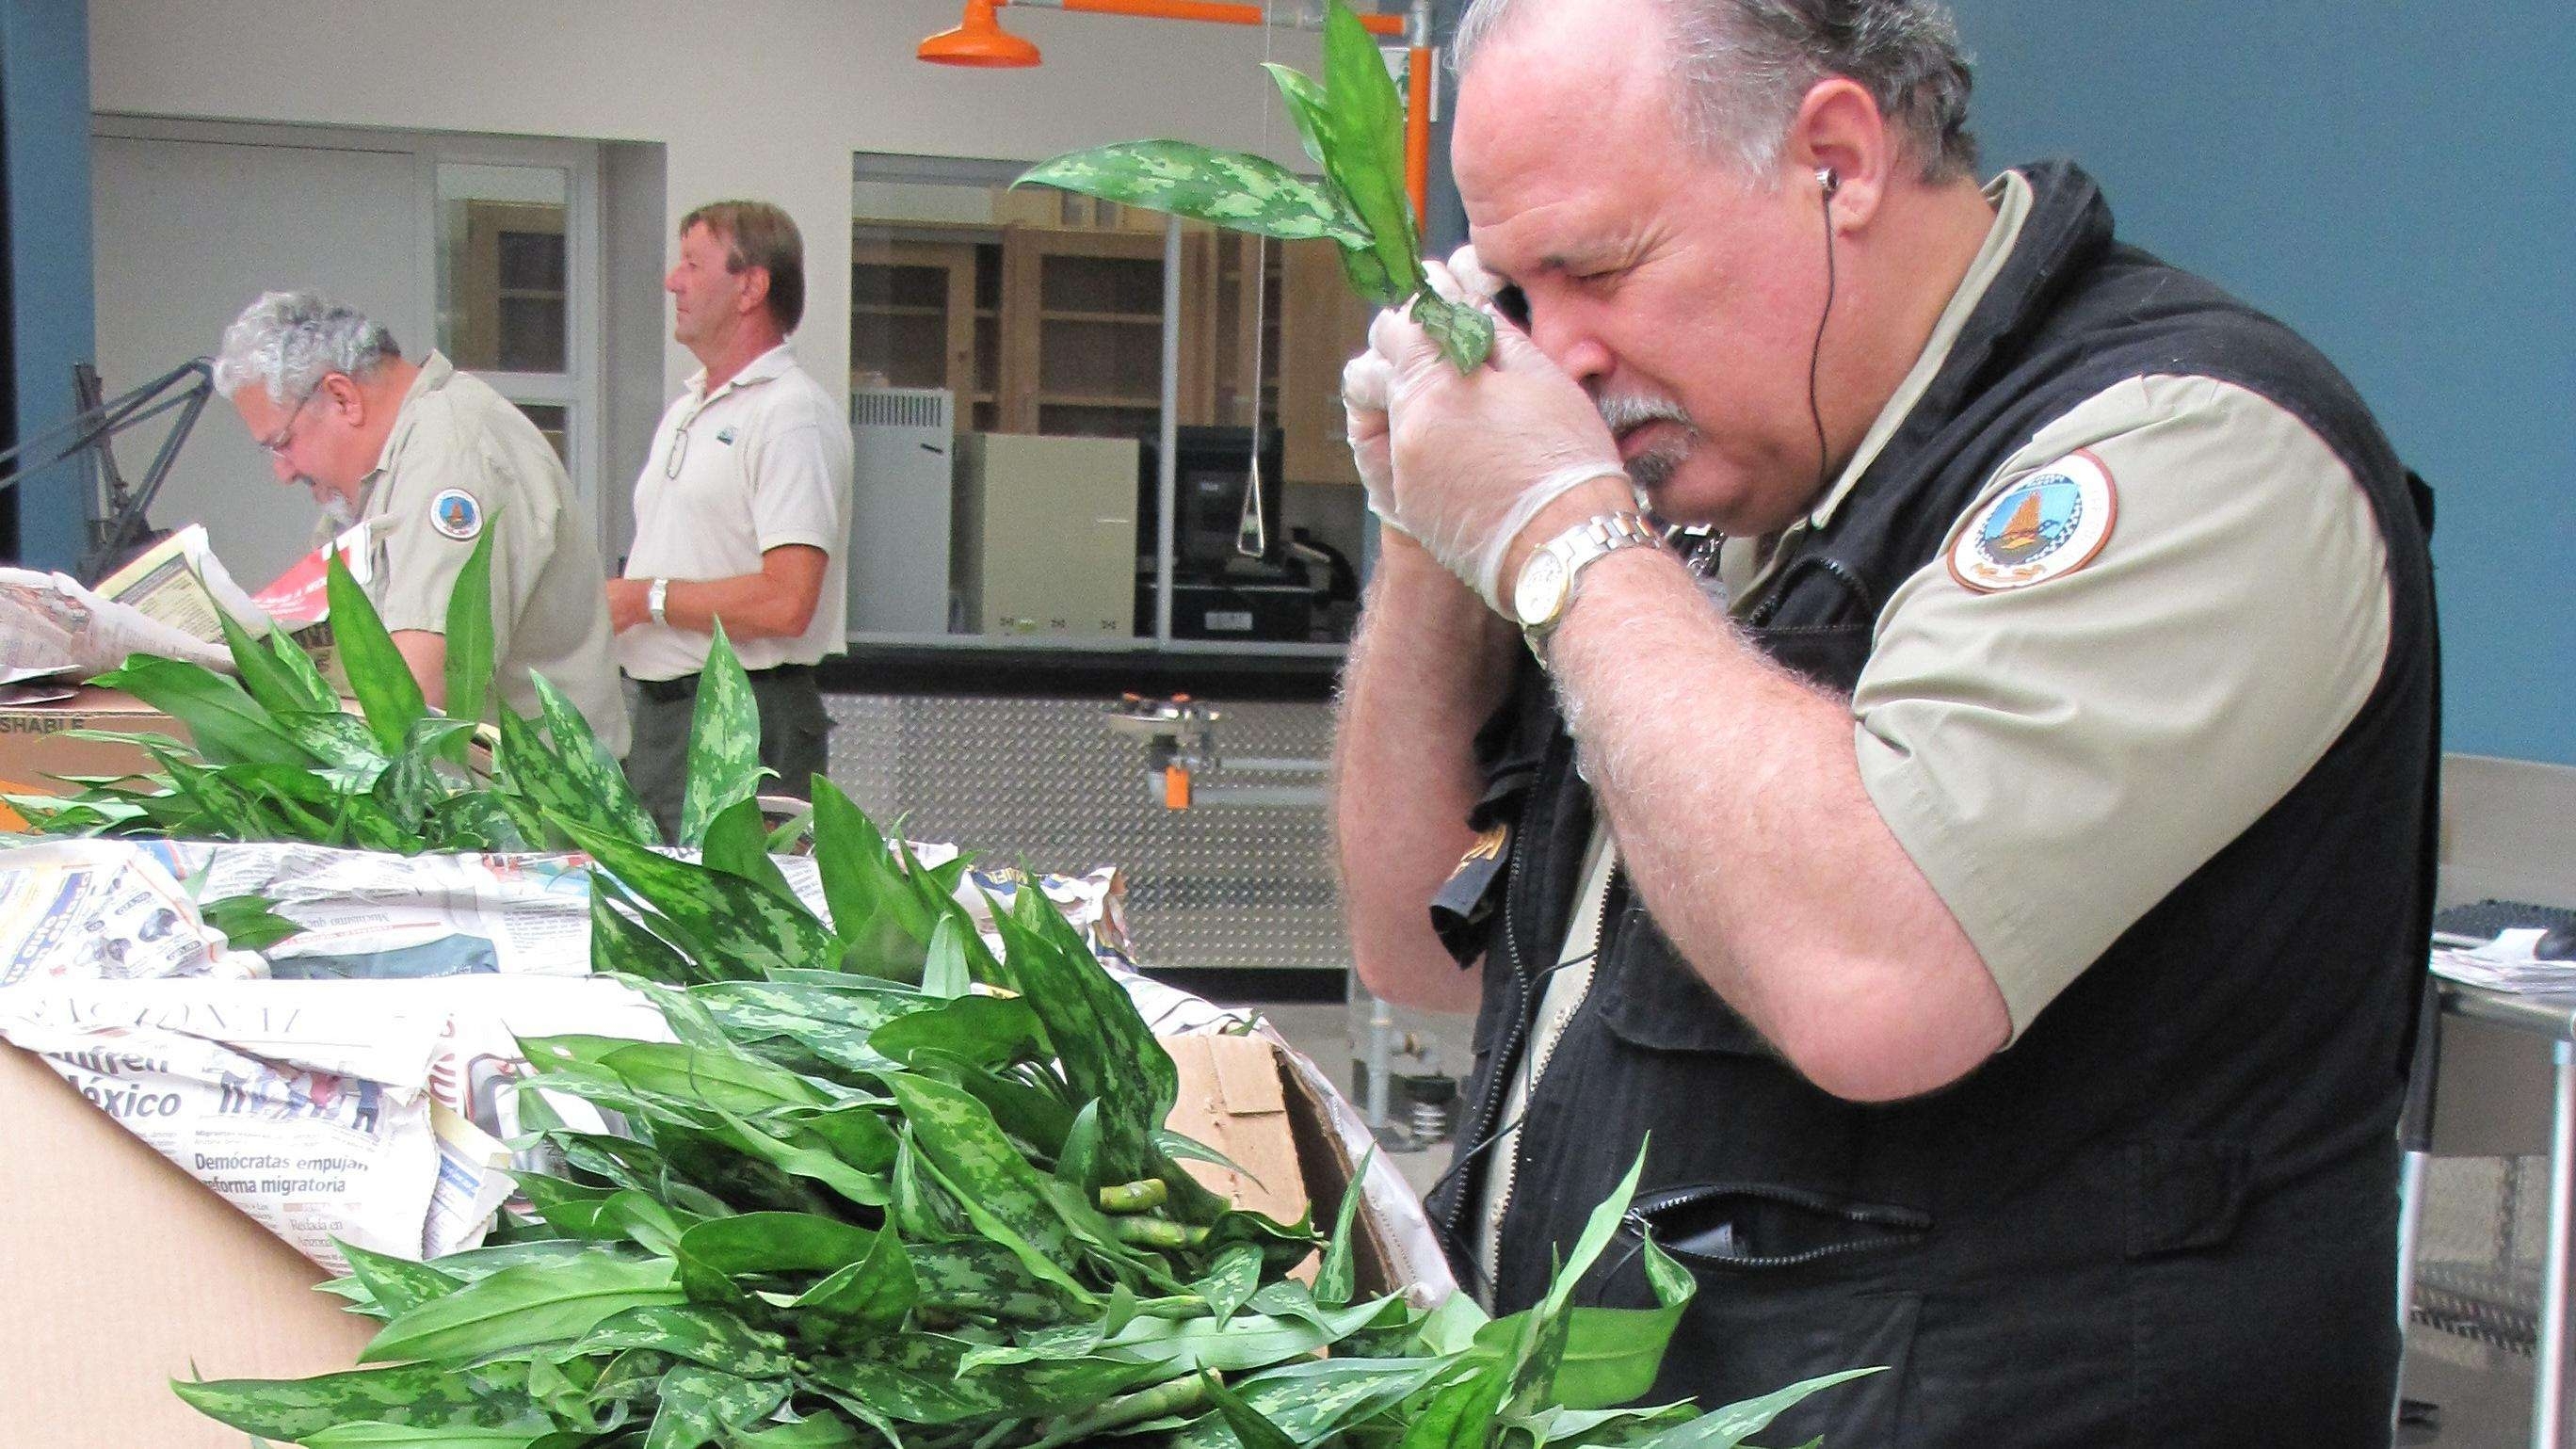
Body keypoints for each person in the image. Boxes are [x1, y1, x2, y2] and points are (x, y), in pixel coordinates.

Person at [1331, 0, 2437, 1441]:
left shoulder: (2186, 442)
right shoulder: (1726, 501)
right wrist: (1437, 537)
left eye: (1598, 267)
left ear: (1839, 161)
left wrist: (1562, 538)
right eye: (1518, 297)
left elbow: (1873, 976)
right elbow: (1415, 939)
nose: (1562, 358)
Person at [215, 292, 630, 755]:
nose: (283, 472)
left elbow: (414, 695)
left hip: (530, 812)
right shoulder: (388, 467)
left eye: (282, 443)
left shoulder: (450, 456)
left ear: (342, 397)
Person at [609, 201, 850, 834]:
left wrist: (644, 601)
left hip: (744, 718)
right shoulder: (689, 409)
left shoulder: (791, 414)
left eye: (692, 263)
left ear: (751, 285)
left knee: (722, 925)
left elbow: (787, 601)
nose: (672, 280)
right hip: (669, 717)